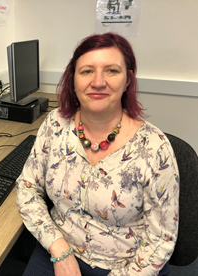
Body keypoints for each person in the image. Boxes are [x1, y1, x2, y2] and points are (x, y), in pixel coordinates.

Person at [16, 32, 179, 276]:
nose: (98, 82)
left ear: (127, 81)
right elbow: (27, 187)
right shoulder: (55, 124)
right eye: (87, 71)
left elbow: (161, 238)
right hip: (59, 251)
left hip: (128, 266)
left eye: (111, 71)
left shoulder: (155, 148)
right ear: (73, 81)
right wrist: (58, 248)